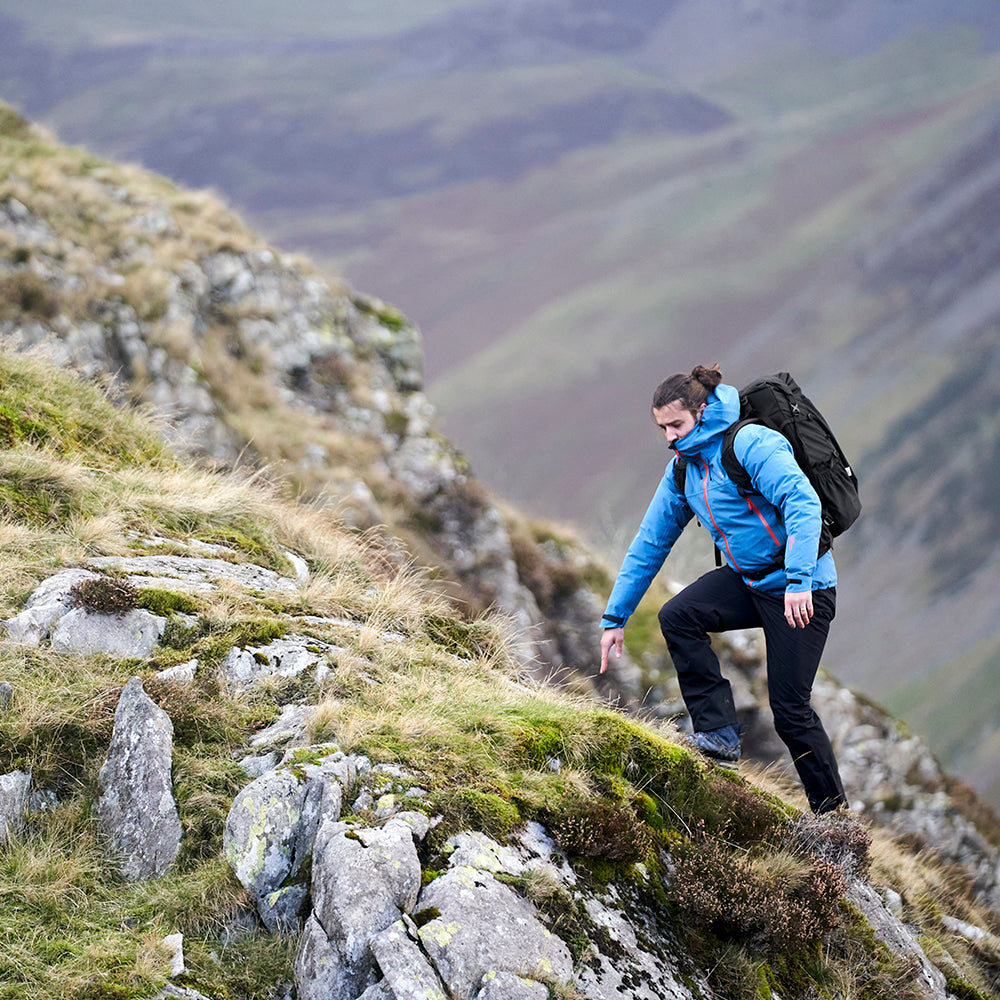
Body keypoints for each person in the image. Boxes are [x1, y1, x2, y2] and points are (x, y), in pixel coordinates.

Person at [599, 363, 847, 814]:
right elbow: (650, 542)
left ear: (701, 411)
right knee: (679, 616)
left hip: (803, 587)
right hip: (749, 581)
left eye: (676, 425)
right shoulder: (684, 469)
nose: (670, 437)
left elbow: (803, 502)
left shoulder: (749, 442)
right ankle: (718, 734)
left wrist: (799, 580)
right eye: (662, 428)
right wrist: (615, 617)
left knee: (790, 711)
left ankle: (834, 820)